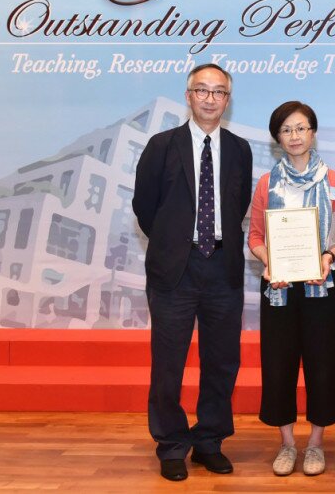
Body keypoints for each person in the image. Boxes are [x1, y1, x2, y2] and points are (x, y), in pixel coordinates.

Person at [132, 63, 252, 481]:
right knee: (169, 362)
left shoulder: (239, 149)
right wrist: (173, 243)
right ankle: (170, 444)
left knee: (222, 362)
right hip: (174, 272)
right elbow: (145, 207)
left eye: (219, 92)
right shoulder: (161, 145)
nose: (210, 98)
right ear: (188, 96)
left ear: (227, 100)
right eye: (202, 90)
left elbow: (238, 205)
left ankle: (208, 442)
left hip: (223, 268)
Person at [248, 101, 335, 477]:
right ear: (277, 137)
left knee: (323, 367)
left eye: (301, 128)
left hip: (322, 286)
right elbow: (255, 235)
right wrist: (268, 260)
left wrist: (328, 255)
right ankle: (288, 443)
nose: (294, 136)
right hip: (279, 288)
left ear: (313, 132)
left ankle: (316, 444)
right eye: (286, 129)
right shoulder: (266, 183)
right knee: (278, 366)